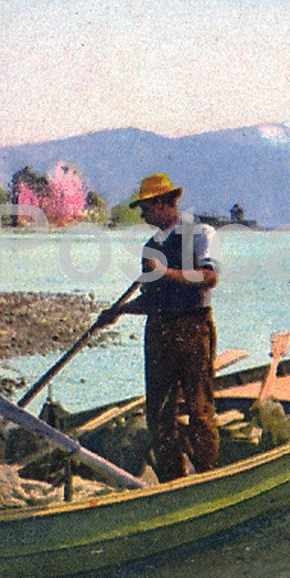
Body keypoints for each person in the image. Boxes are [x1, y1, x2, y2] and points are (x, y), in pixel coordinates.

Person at [98, 173, 221, 482]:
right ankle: (172, 482)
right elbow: (151, 300)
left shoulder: (201, 233)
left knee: (199, 408)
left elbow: (208, 278)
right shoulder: (150, 247)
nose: (142, 214)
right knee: (159, 415)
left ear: (167, 203)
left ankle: (207, 477)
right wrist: (120, 311)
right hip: (160, 332)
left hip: (193, 328)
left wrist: (165, 272)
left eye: (147, 207)